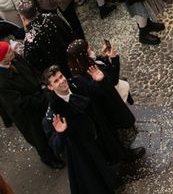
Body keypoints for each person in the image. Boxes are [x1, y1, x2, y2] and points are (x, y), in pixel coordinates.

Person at [42, 65, 119, 194]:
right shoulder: (53, 115)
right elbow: (56, 146)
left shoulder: (77, 84)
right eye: (56, 81)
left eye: (61, 76)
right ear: (50, 87)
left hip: (100, 136)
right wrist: (61, 133)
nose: (62, 81)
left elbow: (98, 94)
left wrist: (100, 81)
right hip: (85, 155)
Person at [0, 42, 65, 170]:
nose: (12, 50)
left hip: (39, 98)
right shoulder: (2, 82)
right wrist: (42, 98)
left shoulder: (15, 58)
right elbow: (18, 103)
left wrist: (42, 84)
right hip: (28, 114)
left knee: (51, 123)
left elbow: (31, 70)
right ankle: (49, 158)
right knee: (39, 138)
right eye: (8, 51)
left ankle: (58, 145)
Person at [18, 0, 75, 76]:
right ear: (36, 9)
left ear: (23, 18)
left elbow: (36, 68)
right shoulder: (54, 18)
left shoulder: (29, 41)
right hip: (73, 62)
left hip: (57, 75)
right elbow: (71, 35)